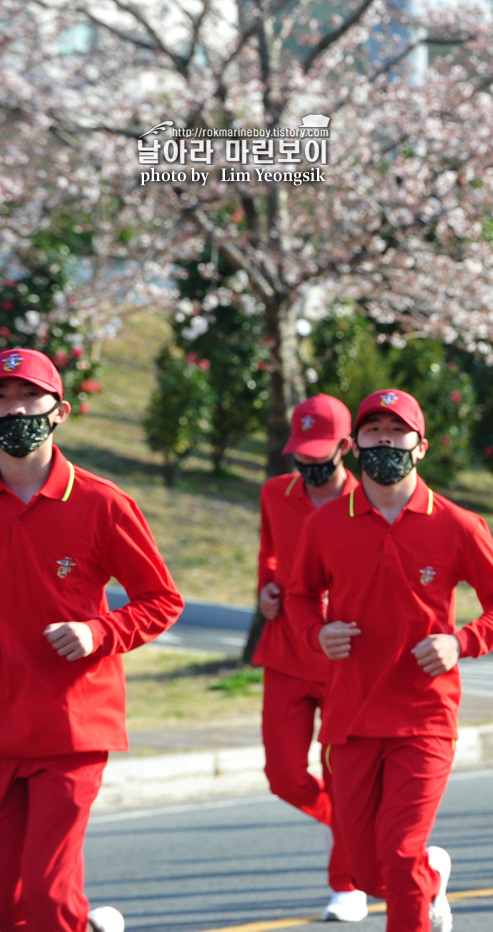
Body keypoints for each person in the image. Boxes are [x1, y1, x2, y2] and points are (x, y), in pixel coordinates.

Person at [286, 388, 493, 932]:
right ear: (354, 446)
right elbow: (298, 595)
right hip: (349, 718)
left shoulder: (457, 523)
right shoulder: (324, 524)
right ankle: (431, 876)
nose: (385, 442)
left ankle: (418, 880)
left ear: (420, 446)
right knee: (366, 871)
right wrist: (315, 631)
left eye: (397, 433)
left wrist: (460, 642)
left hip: (424, 716)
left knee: (398, 855)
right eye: (373, 432)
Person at [0, 348, 185, 932]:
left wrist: (99, 631)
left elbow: (163, 600)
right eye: (2, 398)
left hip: (70, 727)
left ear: (60, 411)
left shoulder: (102, 503)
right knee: (9, 908)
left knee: (51, 900)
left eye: (29, 397)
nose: (14, 410)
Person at [254, 394, 365, 921]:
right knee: (284, 775)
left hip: (345, 659)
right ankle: (356, 830)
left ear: (345, 448)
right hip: (285, 652)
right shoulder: (276, 493)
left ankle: (346, 884)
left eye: (320, 453)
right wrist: (265, 591)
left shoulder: (368, 502)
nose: (309, 465)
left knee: (342, 777)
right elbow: (268, 553)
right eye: (301, 452)